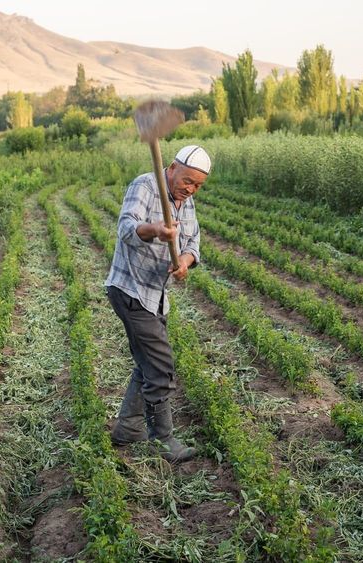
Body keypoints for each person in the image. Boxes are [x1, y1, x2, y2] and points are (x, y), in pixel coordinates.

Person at [104, 144, 210, 463]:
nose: (190, 189)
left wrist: (185, 262)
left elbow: (192, 243)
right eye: (187, 181)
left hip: (156, 294)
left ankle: (127, 428)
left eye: (198, 185)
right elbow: (125, 227)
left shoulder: (185, 201)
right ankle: (163, 440)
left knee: (147, 364)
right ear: (173, 167)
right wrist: (156, 231)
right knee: (161, 367)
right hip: (131, 289)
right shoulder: (146, 185)